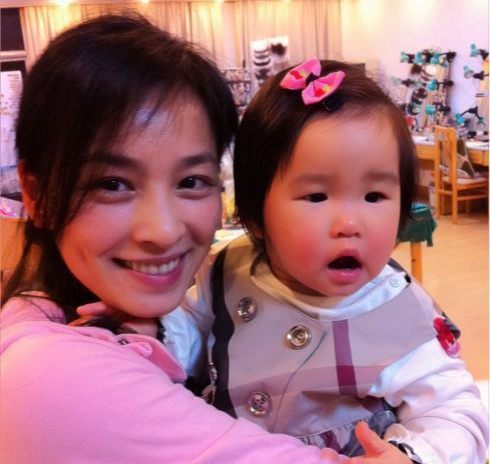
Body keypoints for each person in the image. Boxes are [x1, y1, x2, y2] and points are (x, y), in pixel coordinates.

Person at [0, 16, 383, 464]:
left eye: (191, 181)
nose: (163, 231)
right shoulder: (51, 375)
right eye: (112, 184)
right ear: (36, 194)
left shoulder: (165, 317)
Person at [169, 58, 489, 463]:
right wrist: (143, 334)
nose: (349, 224)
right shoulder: (227, 270)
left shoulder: (399, 314)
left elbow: (458, 412)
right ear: (255, 215)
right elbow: (187, 337)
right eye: (316, 197)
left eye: (374, 196)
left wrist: (412, 455)